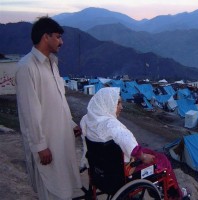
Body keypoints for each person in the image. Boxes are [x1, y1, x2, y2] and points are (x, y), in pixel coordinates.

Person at [80, 87, 188, 199]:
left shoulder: (87, 120)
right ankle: (175, 195)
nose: (121, 107)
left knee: (150, 152)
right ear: (107, 103)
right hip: (122, 173)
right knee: (163, 161)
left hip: (100, 171)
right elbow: (132, 147)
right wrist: (143, 156)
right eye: (118, 103)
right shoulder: (111, 125)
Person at [16, 16, 82, 200]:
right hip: (47, 145)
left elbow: (58, 102)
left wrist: (70, 124)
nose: (61, 41)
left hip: (61, 140)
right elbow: (29, 110)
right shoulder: (27, 67)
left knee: (64, 187)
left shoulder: (52, 64)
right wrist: (40, 146)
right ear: (46, 37)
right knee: (50, 189)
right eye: (58, 36)